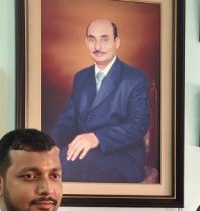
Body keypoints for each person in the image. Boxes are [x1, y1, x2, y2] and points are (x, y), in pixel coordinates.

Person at [49, 18, 150, 183]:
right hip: (84, 153)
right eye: (92, 40)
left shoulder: (135, 78)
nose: (97, 46)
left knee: (60, 168)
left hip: (123, 157)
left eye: (105, 39)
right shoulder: (81, 77)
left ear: (116, 42)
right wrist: (52, 145)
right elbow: (67, 119)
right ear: (86, 42)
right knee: (47, 162)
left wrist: (97, 137)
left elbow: (138, 125)